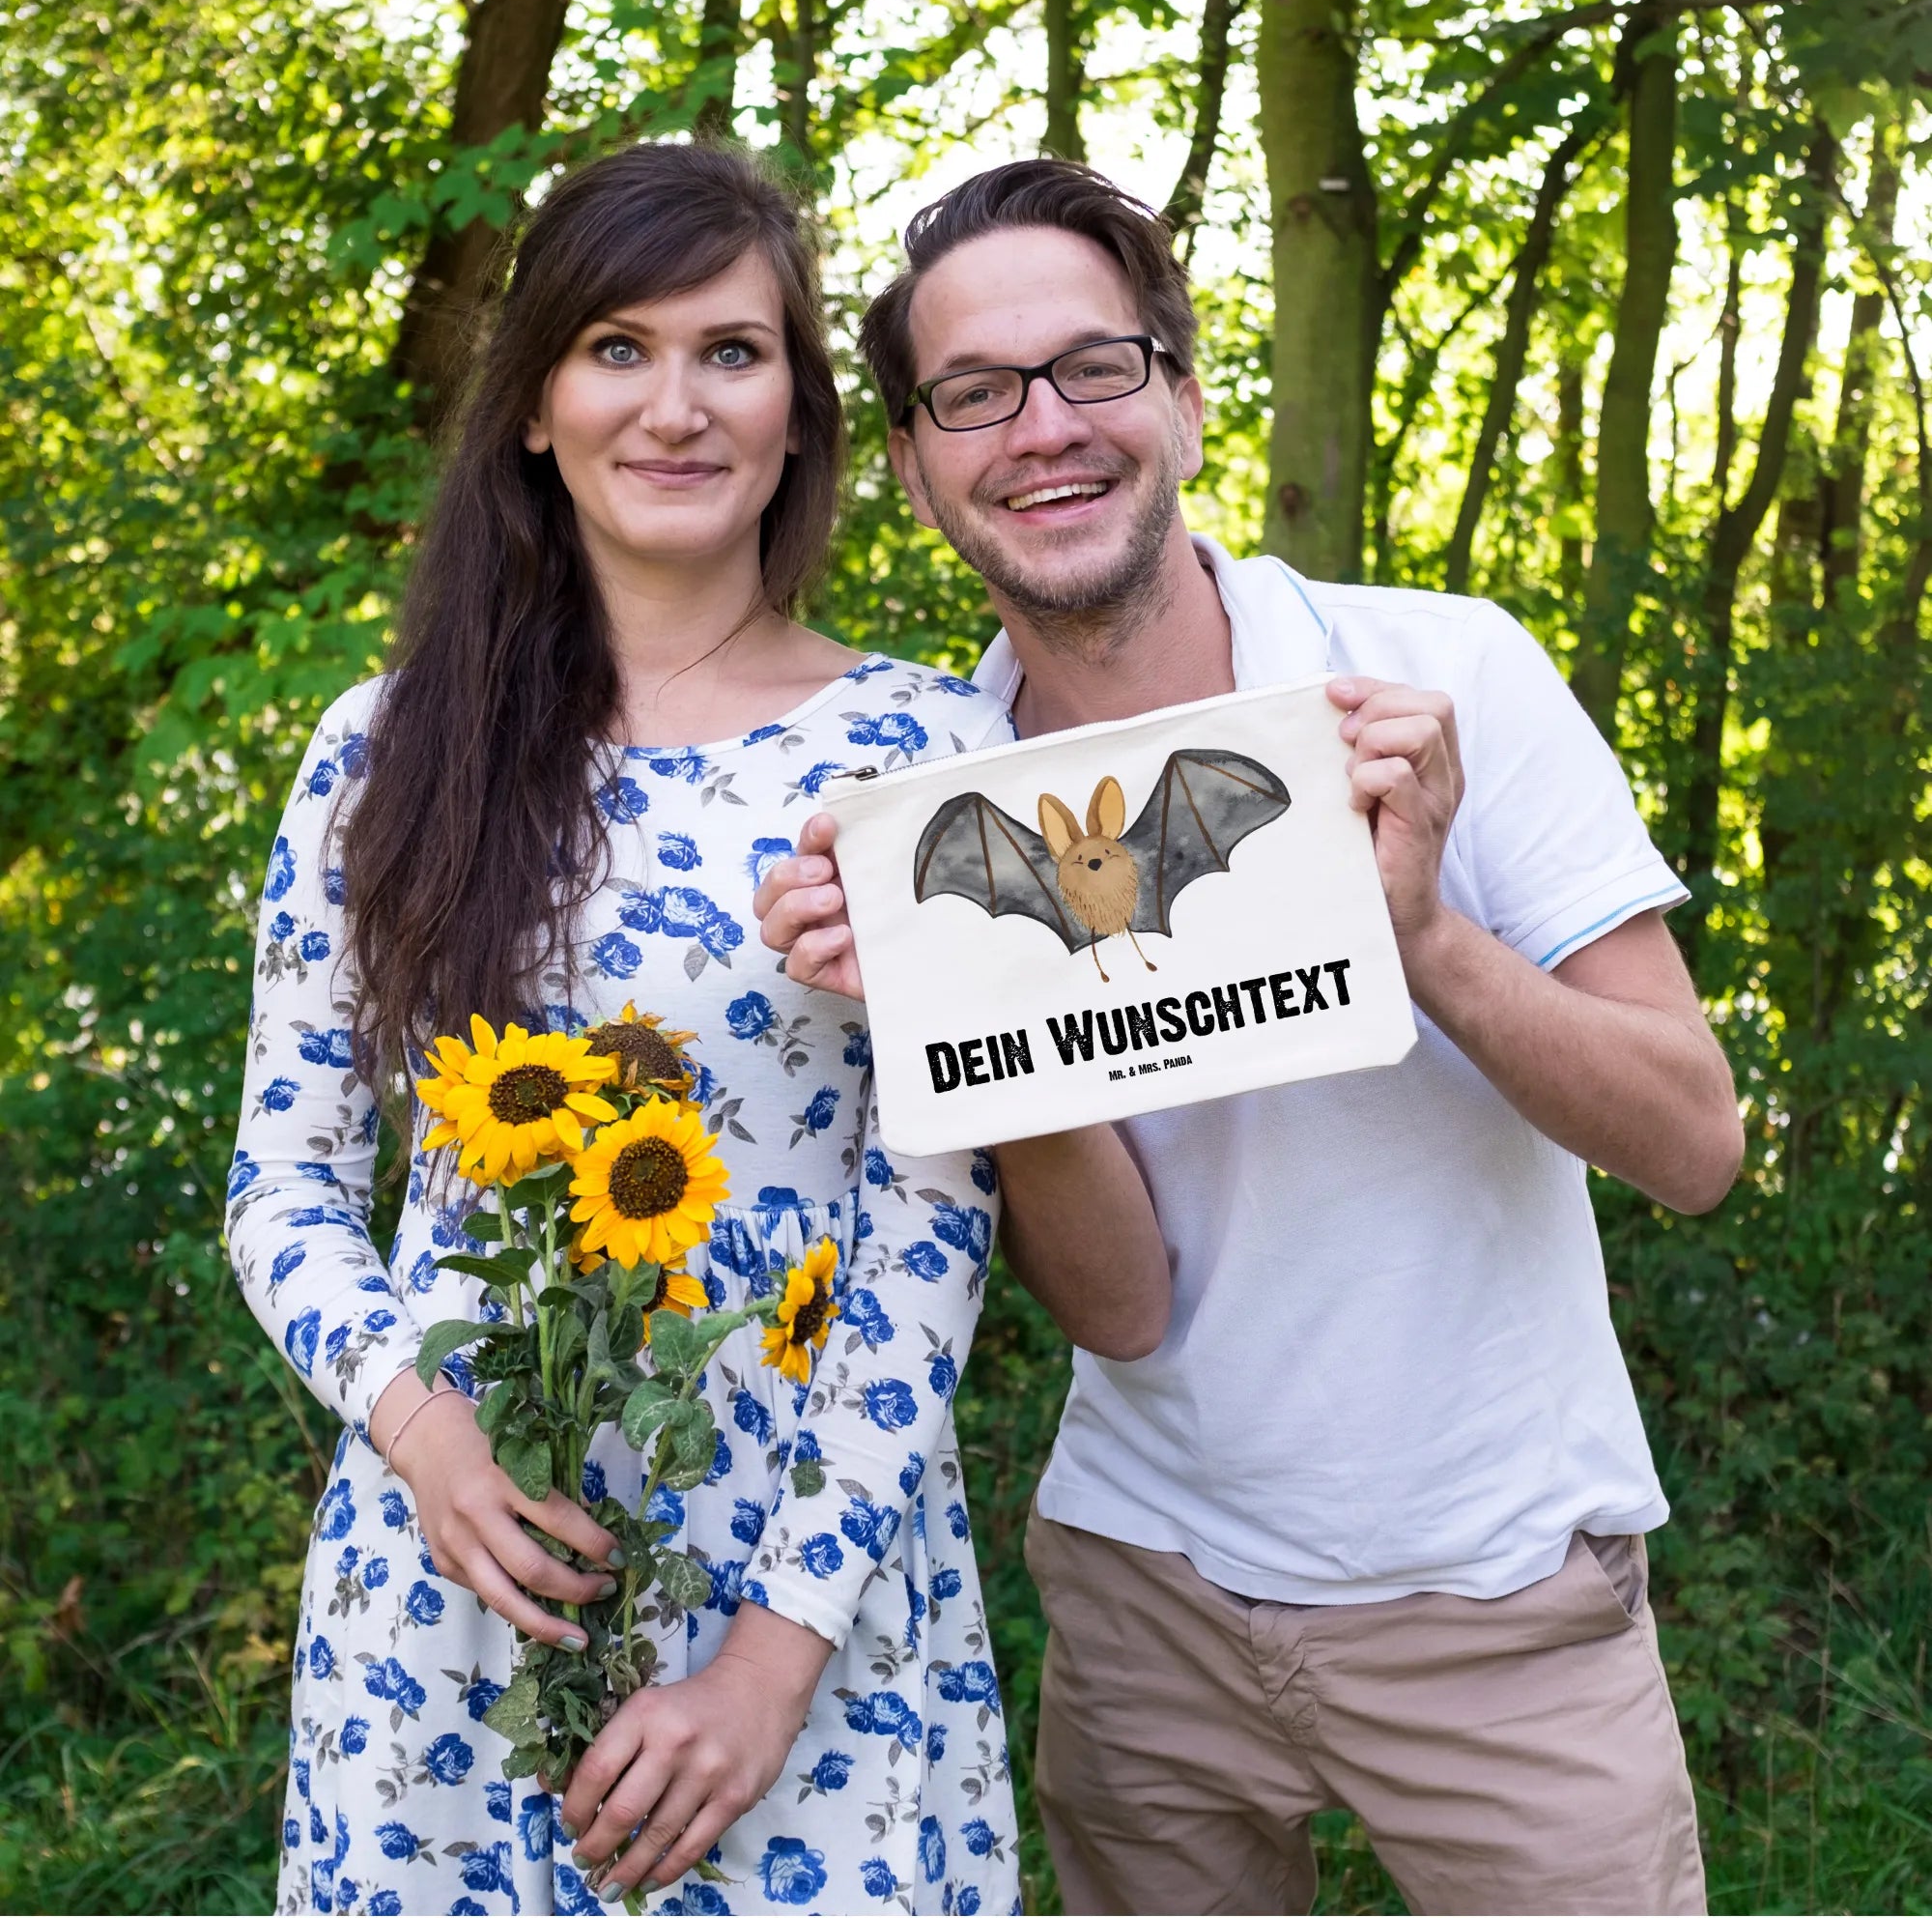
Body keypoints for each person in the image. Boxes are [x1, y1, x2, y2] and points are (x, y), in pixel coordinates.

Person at [754, 159, 1745, 1916]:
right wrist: (951, 1027)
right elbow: (1125, 1311)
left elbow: (1694, 1144)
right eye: (975, 394)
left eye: (1094, 367)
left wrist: (1423, 933)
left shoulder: (1436, 678)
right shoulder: (933, 807)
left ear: (1186, 396)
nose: (1042, 427)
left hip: (1499, 1590)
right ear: (911, 464)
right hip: (1145, 1591)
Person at [227, 141, 1022, 1917]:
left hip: (802, 1584)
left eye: (733, 352)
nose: (677, 406)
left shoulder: (923, 759)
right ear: (533, 406)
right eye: (617, 349)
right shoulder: (385, 751)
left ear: (801, 414)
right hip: (452, 1578)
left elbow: (937, 1222)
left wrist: (773, 1659)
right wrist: (423, 1433)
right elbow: (283, 1186)